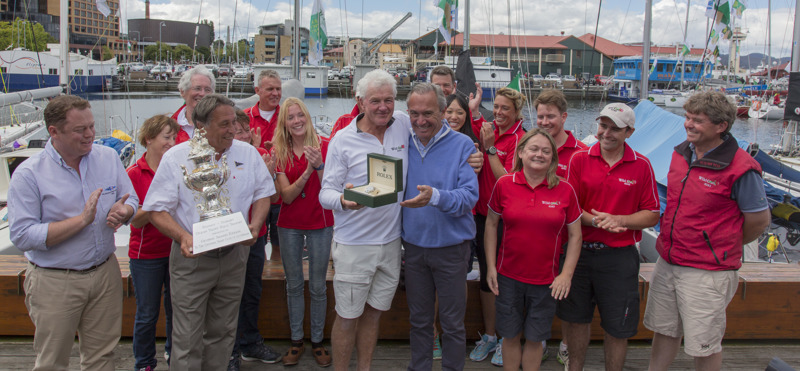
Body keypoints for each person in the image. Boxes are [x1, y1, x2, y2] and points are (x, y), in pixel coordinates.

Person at [143, 94, 275, 370]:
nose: (232, 129)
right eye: (224, 124)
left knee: (224, 333)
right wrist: (182, 236)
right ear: (201, 127)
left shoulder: (247, 153)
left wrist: (255, 225)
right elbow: (156, 209)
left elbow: (264, 193)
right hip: (193, 259)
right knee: (187, 336)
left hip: (235, 255)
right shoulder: (176, 158)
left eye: (233, 123)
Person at [8, 95, 138, 371]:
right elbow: (22, 235)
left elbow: (132, 199)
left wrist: (124, 212)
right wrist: (81, 221)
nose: (90, 134)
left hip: (104, 273)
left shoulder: (108, 157)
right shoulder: (29, 174)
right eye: (80, 130)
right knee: (52, 361)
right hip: (55, 281)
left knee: (102, 357)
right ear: (54, 132)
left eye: (91, 126)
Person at [644, 92, 771, 371]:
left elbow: (759, 221)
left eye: (697, 120)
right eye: (687, 118)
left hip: (707, 272)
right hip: (669, 261)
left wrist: (720, 245)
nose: (688, 124)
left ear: (721, 126)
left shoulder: (741, 168)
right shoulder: (681, 153)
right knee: (665, 329)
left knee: (705, 343)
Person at [319, 69, 411, 371]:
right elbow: (326, 194)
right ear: (360, 101)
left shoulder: (404, 126)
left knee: (374, 315)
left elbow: (440, 128)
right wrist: (344, 202)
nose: (383, 107)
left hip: (391, 243)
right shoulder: (342, 140)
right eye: (375, 101)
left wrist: (476, 153)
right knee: (347, 317)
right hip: (354, 245)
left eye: (388, 100)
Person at [558, 103, 660, 371]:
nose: (606, 133)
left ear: (630, 132)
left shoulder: (642, 165)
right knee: (576, 320)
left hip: (620, 256)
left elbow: (652, 214)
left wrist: (620, 220)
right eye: (603, 126)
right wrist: (598, 221)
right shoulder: (580, 159)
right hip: (579, 254)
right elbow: (569, 208)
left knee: (618, 326)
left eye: (615, 128)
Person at [485, 128, 582, 371]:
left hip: (546, 281)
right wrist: (490, 267)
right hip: (508, 277)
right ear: (521, 152)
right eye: (534, 149)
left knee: (536, 338)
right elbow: (490, 224)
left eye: (546, 151)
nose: (539, 154)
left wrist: (566, 274)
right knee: (509, 335)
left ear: (552, 158)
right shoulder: (504, 184)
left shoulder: (565, 190)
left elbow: (575, 235)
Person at [401, 83, 479, 371]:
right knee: (419, 321)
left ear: (444, 112)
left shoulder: (463, 146)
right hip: (414, 247)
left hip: (451, 249)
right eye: (414, 113)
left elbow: (469, 197)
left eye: (428, 113)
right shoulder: (402, 140)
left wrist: (434, 196)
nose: (420, 120)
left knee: (452, 324)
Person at [273, 98, 334, 367]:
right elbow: (286, 196)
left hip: (320, 222)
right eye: (291, 117)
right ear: (284, 123)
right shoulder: (279, 151)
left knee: (319, 285)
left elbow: (331, 187)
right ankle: (297, 340)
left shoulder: (325, 146)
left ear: (308, 118)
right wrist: (309, 170)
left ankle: (318, 340)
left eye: (300, 116)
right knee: (294, 284)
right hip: (290, 225)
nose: (297, 121)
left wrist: (319, 166)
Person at [470, 87, 528, 367]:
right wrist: (474, 107)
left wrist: (491, 148)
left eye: (506, 108)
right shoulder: (489, 128)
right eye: (497, 107)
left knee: (508, 281)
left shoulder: (521, 139)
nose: (499, 112)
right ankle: (490, 336)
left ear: (517, 112)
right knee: (486, 278)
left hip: (508, 221)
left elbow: (509, 181)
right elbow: (469, 120)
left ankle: (509, 338)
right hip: (483, 216)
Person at [532, 89, 588, 365]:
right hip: (538, 239)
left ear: (564, 117)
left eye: (550, 116)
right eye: (540, 116)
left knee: (569, 299)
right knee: (536, 295)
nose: (544, 122)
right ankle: (537, 340)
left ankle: (565, 344)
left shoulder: (582, 153)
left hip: (568, 240)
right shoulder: (530, 147)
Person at [228, 110, 282, 370]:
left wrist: (270, 174)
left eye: (243, 131)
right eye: (235, 131)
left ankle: (249, 343)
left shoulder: (259, 156)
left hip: (255, 236)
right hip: (228, 238)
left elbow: (272, 199)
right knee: (228, 296)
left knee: (251, 292)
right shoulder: (219, 157)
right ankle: (229, 351)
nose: (240, 135)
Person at [127, 114, 179, 371]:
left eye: (174, 137)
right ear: (149, 139)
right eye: (166, 137)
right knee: (147, 314)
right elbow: (135, 220)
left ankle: (173, 353)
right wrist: (157, 203)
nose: (172, 142)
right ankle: (145, 362)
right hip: (145, 255)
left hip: (175, 251)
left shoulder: (177, 169)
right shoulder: (134, 173)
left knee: (175, 309)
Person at [244, 69, 283, 261]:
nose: (275, 93)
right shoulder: (244, 119)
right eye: (270, 89)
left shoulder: (288, 118)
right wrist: (254, 148)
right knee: (252, 245)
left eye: (278, 89)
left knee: (278, 246)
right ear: (257, 90)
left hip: (279, 195)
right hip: (252, 196)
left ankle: (275, 284)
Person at [172, 65, 216, 144]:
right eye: (197, 88)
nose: (202, 94)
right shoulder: (170, 126)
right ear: (182, 92)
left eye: (207, 90)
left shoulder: (223, 125)